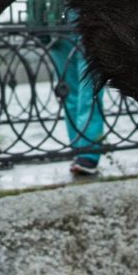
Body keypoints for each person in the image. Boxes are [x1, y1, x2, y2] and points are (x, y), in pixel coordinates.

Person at [48, 12, 106, 176]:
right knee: (68, 92)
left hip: (87, 18)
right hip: (56, 22)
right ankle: (79, 150)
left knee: (90, 90)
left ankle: (88, 153)